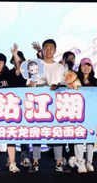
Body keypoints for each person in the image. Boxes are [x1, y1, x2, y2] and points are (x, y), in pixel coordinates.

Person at [24, 39, 70, 173]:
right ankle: (35, 162)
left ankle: (59, 163)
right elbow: (30, 85)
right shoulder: (35, 65)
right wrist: (33, 83)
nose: (48, 50)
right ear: (42, 50)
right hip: (38, 103)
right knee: (37, 133)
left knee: (57, 132)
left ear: (55, 50)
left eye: (51, 48)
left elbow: (65, 84)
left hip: (56, 104)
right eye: (46, 48)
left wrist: (58, 86)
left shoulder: (60, 67)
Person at [77, 58, 97, 172]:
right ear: (80, 67)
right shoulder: (75, 80)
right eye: (84, 65)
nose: (86, 68)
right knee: (78, 136)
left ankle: (89, 162)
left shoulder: (96, 81)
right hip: (77, 112)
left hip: (91, 112)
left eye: (89, 65)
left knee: (90, 137)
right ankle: (80, 163)